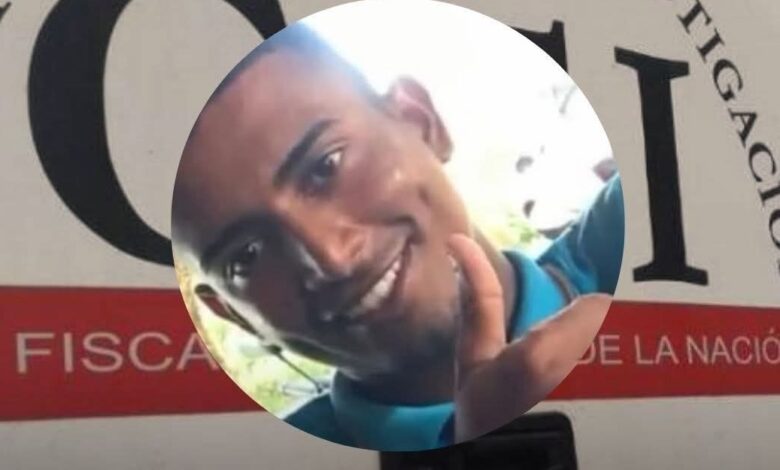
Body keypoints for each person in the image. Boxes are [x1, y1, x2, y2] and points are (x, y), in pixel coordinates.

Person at [171, 22, 623, 451]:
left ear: (421, 121)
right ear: (235, 314)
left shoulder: (629, 236)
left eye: (326, 166)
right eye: (247, 256)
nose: (332, 258)